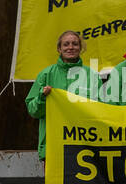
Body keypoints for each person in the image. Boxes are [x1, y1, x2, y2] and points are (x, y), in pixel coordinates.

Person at [25, 30, 101, 159]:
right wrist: (42, 98)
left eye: (75, 44)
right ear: (59, 49)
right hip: (53, 147)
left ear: (80, 48)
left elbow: (101, 110)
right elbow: (33, 111)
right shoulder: (45, 75)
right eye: (66, 44)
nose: (70, 47)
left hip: (84, 146)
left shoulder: (92, 76)